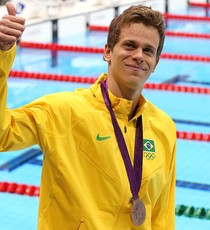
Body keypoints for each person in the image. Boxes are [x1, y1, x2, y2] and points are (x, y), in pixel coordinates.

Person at [0, 2, 176, 230]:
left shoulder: (164, 127)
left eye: (148, 50)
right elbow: (3, 135)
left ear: (155, 63)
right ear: (107, 52)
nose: (139, 56)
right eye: (130, 46)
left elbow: (162, 217)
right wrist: (2, 54)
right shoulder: (63, 110)